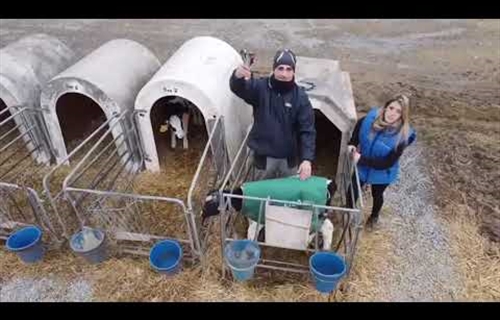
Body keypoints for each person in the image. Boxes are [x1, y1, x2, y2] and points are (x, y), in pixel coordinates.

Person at [229, 49, 316, 181]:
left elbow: (307, 131)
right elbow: (238, 88)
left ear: (294, 72)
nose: (284, 73)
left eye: (288, 69)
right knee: (259, 196)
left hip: (289, 160)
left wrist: (306, 160)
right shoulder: (260, 88)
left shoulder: (301, 98)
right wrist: (237, 76)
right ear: (274, 69)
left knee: (287, 196)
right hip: (262, 160)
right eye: (280, 68)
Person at [347, 94, 416, 229]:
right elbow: (359, 126)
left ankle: (374, 216)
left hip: (382, 172)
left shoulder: (402, 136)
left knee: (377, 194)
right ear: (385, 108)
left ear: (402, 116)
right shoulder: (370, 119)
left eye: (398, 112)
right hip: (362, 165)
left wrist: (361, 159)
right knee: (352, 189)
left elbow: (387, 163)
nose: (392, 113)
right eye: (391, 108)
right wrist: (353, 143)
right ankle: (347, 213)